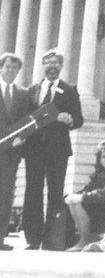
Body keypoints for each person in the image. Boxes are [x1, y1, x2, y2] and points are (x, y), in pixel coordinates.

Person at [22, 49, 84, 249]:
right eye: (48, 62)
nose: (52, 66)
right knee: (32, 190)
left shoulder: (70, 89)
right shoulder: (32, 90)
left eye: (56, 62)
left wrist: (70, 119)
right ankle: (32, 238)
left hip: (58, 149)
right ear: (43, 65)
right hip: (34, 149)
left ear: (61, 66)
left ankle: (52, 239)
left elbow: (79, 119)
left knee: (56, 192)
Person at [0, 54, 35, 250]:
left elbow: (28, 121)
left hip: (11, 153)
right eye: (7, 66)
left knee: (5, 195)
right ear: (0, 68)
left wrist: (22, 138)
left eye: (15, 68)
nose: (11, 70)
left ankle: (0, 239)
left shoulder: (23, 94)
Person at [65, 140, 105, 251]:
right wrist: (74, 195)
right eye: (103, 157)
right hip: (97, 207)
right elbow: (87, 189)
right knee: (71, 200)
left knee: (78, 202)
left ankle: (85, 239)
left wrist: (83, 197)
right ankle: (71, 239)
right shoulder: (99, 174)